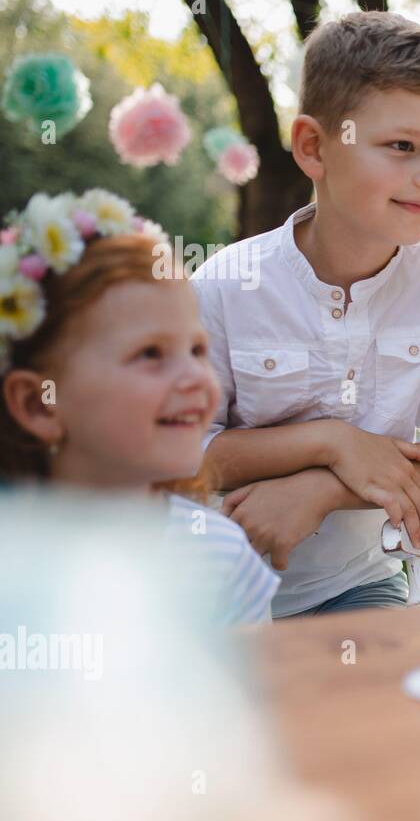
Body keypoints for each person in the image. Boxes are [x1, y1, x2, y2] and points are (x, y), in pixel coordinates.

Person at [194, 12, 420, 617]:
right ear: (313, 147)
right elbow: (183, 454)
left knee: (378, 701)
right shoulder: (223, 286)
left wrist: (322, 490)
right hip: (211, 591)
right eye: (402, 146)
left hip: (360, 582)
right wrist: (331, 442)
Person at [0, 188, 278, 625]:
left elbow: (247, 694)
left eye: (198, 349)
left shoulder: (221, 558)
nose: (196, 379)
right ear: (39, 404)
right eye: (150, 353)